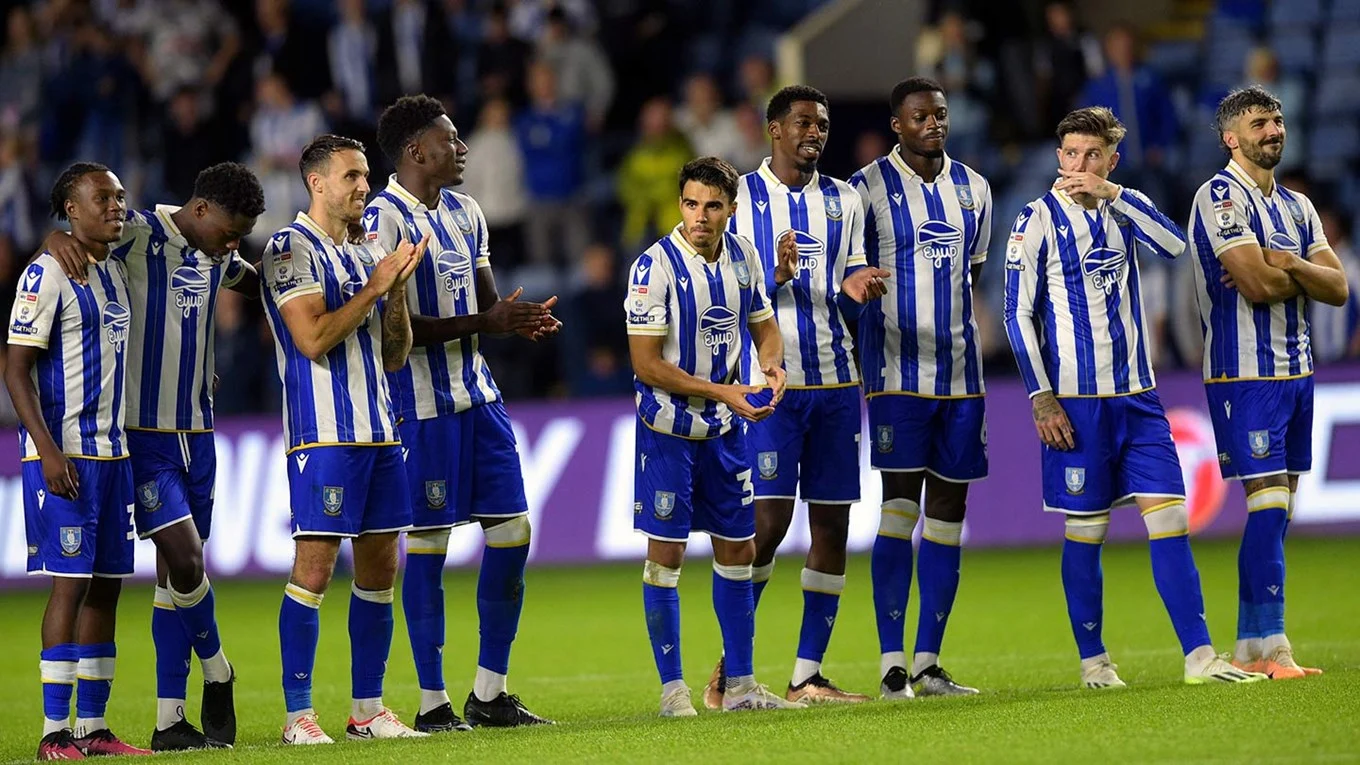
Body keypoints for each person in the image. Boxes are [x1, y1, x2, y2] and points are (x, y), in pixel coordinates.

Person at [1004, 106, 1269, 688]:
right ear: (1059, 157)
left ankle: (1200, 658)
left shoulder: (1124, 208)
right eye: (1071, 154)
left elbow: (1176, 245)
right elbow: (1015, 313)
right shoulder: (1035, 219)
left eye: (1093, 155)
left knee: (1170, 517)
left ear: (1111, 160)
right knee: (1087, 531)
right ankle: (1094, 663)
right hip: (1075, 403)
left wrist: (1116, 195)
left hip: (1139, 399)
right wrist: (1040, 397)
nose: (1080, 165)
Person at [42, 162, 266, 750]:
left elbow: (256, 279)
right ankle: (217, 668)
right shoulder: (136, 233)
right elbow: (78, 236)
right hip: (141, 436)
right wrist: (54, 237)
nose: (232, 245)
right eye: (228, 232)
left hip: (200, 431)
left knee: (175, 582)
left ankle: (170, 721)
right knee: (186, 561)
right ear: (200, 210)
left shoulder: (219, 255)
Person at [368, 94, 558, 731]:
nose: (462, 148)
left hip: (479, 397)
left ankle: (489, 692)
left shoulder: (467, 212)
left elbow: (485, 305)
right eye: (450, 139)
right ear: (416, 151)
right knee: (428, 544)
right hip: (419, 407)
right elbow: (393, 332)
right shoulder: (381, 222)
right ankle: (432, 703)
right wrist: (487, 320)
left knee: (513, 533)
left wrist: (516, 320)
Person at [703, 85, 889, 708]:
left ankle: (807, 675)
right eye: (804, 122)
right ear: (775, 129)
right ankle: (732, 670)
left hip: (836, 380)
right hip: (769, 387)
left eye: (823, 124)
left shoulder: (845, 199)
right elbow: (718, 289)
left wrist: (854, 286)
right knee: (768, 524)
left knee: (833, 524)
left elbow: (847, 276)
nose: (815, 132)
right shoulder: (739, 200)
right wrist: (774, 276)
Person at [260, 134, 429, 744]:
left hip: (380, 430)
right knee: (315, 566)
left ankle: (367, 710)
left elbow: (395, 355)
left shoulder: (366, 250)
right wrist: (376, 286)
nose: (364, 186)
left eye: (366, 176)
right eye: (352, 176)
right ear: (317, 182)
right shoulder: (289, 248)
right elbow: (311, 339)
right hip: (323, 434)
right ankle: (297, 716)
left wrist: (396, 289)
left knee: (382, 568)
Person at [1187, 86, 1350, 679]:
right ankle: (1274, 646)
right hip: (1244, 374)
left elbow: (1339, 289)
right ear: (1231, 138)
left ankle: (1250, 648)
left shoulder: (1298, 206)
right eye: (1259, 123)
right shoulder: (1220, 196)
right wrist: (1295, 274)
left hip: (1297, 372)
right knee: (1267, 506)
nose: (1274, 130)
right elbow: (1255, 285)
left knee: (1278, 514)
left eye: (1277, 120)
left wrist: (1290, 263)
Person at [627, 157, 797, 717]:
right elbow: (647, 364)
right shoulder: (653, 268)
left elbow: (764, 328)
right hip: (668, 431)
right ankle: (673, 690)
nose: (700, 216)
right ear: (680, 204)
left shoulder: (744, 257)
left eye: (713, 206)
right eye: (691, 204)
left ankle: (741, 686)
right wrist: (724, 391)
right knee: (666, 554)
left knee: (739, 548)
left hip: (725, 430)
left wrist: (772, 366)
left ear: (731, 209)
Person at [848, 77, 991, 699]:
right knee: (900, 507)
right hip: (896, 373)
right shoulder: (865, 189)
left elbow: (971, 270)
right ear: (897, 125)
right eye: (920, 116)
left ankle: (929, 663)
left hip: (962, 375)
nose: (933, 123)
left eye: (940, 114)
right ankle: (891, 664)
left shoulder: (975, 188)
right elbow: (849, 271)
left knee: (949, 515)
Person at [6, 163, 150, 759]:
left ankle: (93, 729)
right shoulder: (46, 274)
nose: (116, 206)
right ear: (71, 208)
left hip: (115, 455)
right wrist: (46, 449)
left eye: (119, 196)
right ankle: (52, 733)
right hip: (64, 456)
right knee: (69, 586)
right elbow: (15, 369)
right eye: (102, 198)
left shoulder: (114, 268)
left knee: (106, 589)